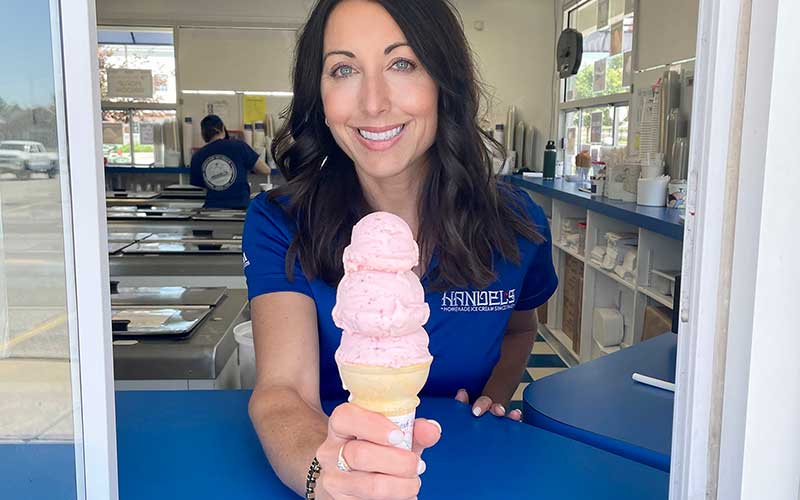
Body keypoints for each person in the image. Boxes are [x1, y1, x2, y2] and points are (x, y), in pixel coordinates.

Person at [242, 0, 558, 498]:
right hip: (334, 462)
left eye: (402, 63)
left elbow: (521, 328)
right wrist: (322, 475)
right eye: (344, 69)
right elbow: (283, 392)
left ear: (442, 81)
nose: (373, 103)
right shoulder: (281, 222)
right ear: (319, 97)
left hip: (470, 471)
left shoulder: (514, 223)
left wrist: (491, 399)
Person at [189, 114, 271, 209]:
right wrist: (247, 167)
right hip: (240, 208)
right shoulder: (239, 147)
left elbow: (200, 186)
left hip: (211, 210)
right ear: (223, 128)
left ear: (203, 134)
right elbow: (266, 170)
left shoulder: (197, 156)